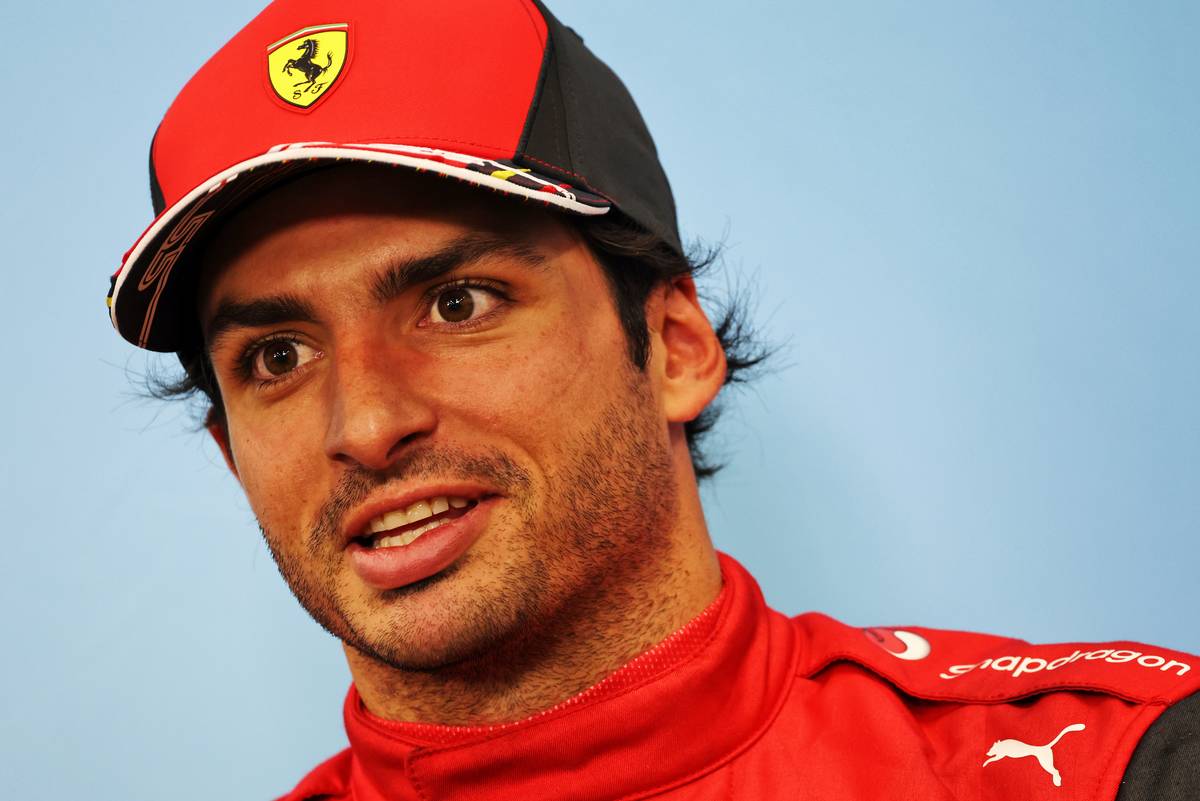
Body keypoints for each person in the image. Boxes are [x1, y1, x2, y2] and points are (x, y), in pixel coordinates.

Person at [107, 1, 1198, 798]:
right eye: (278, 357)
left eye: (457, 302)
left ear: (675, 346)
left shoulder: (1121, 767)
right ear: (228, 453)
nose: (366, 424)